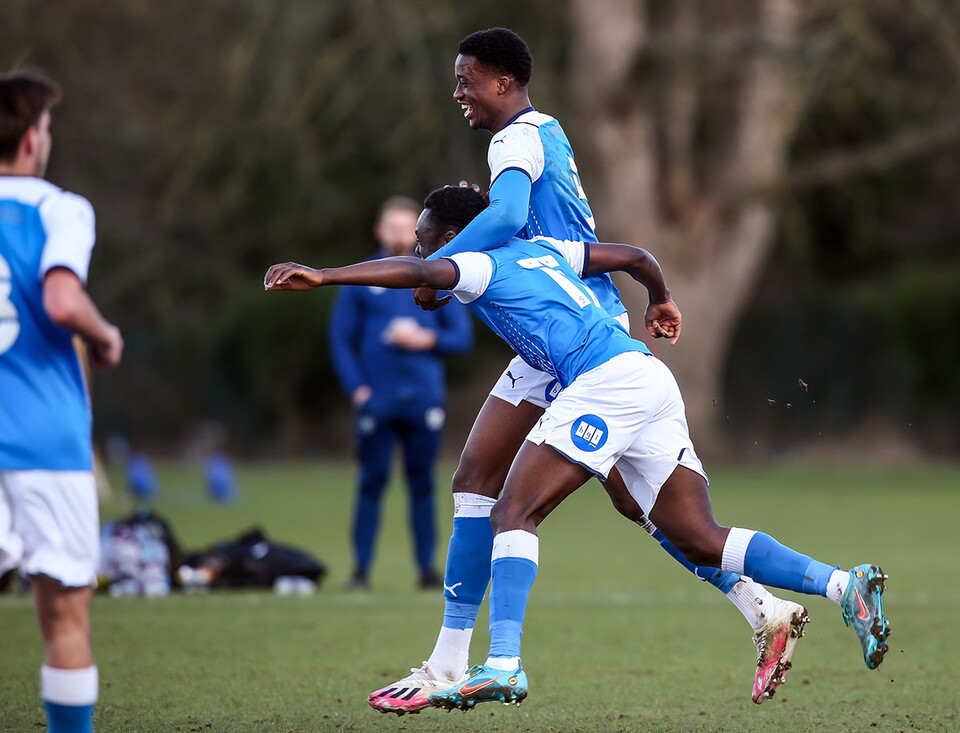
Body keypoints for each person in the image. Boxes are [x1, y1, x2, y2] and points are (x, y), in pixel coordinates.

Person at [263, 184, 891, 711]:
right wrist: (661, 298)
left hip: (607, 383)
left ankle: (504, 663)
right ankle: (845, 586)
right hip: (645, 375)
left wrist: (325, 276)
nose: (424, 250)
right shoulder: (545, 248)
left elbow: (424, 273)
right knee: (697, 535)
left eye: (430, 238)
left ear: (461, 236)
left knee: (515, 510)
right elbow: (636, 256)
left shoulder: (480, 262)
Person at [368, 27, 804, 712]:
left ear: (503, 81)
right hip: (578, 320)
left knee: (499, 490)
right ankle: (762, 606)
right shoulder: (548, 130)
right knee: (621, 499)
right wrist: (653, 290)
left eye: (467, 78)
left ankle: (463, 663)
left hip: (573, 333)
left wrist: (448, 263)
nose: (458, 90)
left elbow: (511, 215)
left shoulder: (511, 140)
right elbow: (591, 242)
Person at [0, 71, 124, 733]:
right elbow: (59, 300)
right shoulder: (59, 208)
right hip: (44, 439)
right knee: (63, 618)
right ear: (30, 138)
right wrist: (103, 335)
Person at [328, 196, 473, 590]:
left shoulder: (434, 273)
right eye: (392, 227)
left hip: (424, 398)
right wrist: (357, 389)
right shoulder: (363, 278)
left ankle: (426, 570)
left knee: (423, 485)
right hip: (378, 399)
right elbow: (341, 340)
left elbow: (460, 337)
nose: (399, 235)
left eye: (407, 228)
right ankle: (360, 570)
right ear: (380, 231)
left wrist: (426, 338)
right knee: (371, 483)